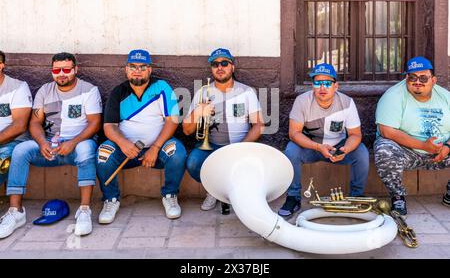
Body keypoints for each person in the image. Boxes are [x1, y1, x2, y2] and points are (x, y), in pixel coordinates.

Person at [0, 52, 102, 238]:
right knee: (21, 150)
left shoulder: (89, 90)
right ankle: (16, 212)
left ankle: (85, 210)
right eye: (57, 70)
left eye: (66, 69)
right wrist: (41, 142)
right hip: (48, 146)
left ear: (75, 69)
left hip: (77, 144)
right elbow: (34, 123)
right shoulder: (45, 90)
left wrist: (73, 142)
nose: (61, 73)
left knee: (87, 149)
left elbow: (95, 123)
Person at [96, 49, 187, 222]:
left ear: (149, 69)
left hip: (157, 149)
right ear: (126, 69)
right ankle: (111, 199)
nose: (137, 70)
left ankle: (170, 195)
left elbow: (173, 120)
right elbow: (109, 127)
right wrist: (123, 144)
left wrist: (155, 147)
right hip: (126, 151)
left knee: (177, 153)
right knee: (103, 154)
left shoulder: (161, 87)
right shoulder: (118, 92)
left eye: (142, 66)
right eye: (133, 66)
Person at [278, 63, 369, 218]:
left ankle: (356, 197)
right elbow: (294, 133)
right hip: (311, 147)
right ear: (313, 86)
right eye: (317, 83)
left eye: (327, 83)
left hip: (337, 148)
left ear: (336, 86)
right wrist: (318, 147)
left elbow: (355, 135)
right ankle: (293, 197)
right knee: (291, 150)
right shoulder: (302, 101)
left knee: (361, 152)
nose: (322, 87)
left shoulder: (347, 102)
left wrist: (344, 150)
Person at [182, 48, 265, 212]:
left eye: (224, 63)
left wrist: (241, 146)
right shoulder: (203, 92)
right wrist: (198, 111)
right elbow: (186, 130)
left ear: (232, 67)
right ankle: (215, 191)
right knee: (193, 163)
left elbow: (259, 125)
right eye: (215, 64)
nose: (220, 67)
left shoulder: (247, 92)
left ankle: (230, 192)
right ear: (211, 68)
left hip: (239, 145)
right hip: (211, 145)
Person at [375, 56, 450, 215]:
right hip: (407, 152)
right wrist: (424, 146)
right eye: (412, 77)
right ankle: (397, 197)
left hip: (441, 151)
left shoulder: (445, 97)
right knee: (384, 149)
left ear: (433, 80)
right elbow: (386, 131)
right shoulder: (393, 96)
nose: (418, 81)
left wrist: (448, 147)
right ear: (406, 78)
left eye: (423, 77)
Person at [0, 51, 33, 187]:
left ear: (1, 65)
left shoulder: (17, 87)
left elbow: (20, 125)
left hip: (11, 142)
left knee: (3, 160)